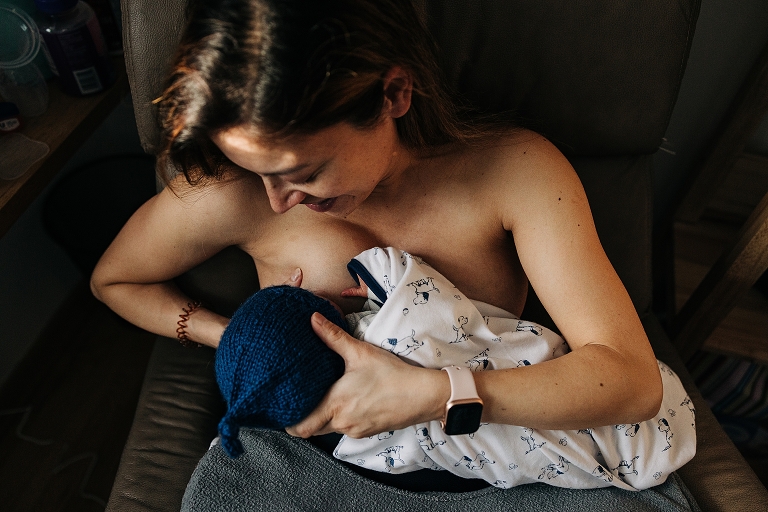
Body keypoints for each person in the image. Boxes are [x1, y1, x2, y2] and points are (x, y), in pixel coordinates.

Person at [90, 0, 695, 507]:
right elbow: (115, 281)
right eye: (258, 171)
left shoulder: (514, 173)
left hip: (497, 464)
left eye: (305, 171)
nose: (278, 202)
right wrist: (237, 336)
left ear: (394, 94)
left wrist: (435, 393)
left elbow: (630, 379)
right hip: (315, 467)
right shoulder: (236, 194)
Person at [215, 246, 695, 491]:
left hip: (628, 426)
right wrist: (377, 285)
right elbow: (406, 279)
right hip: (652, 423)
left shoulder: (356, 442)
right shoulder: (402, 318)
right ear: (322, 320)